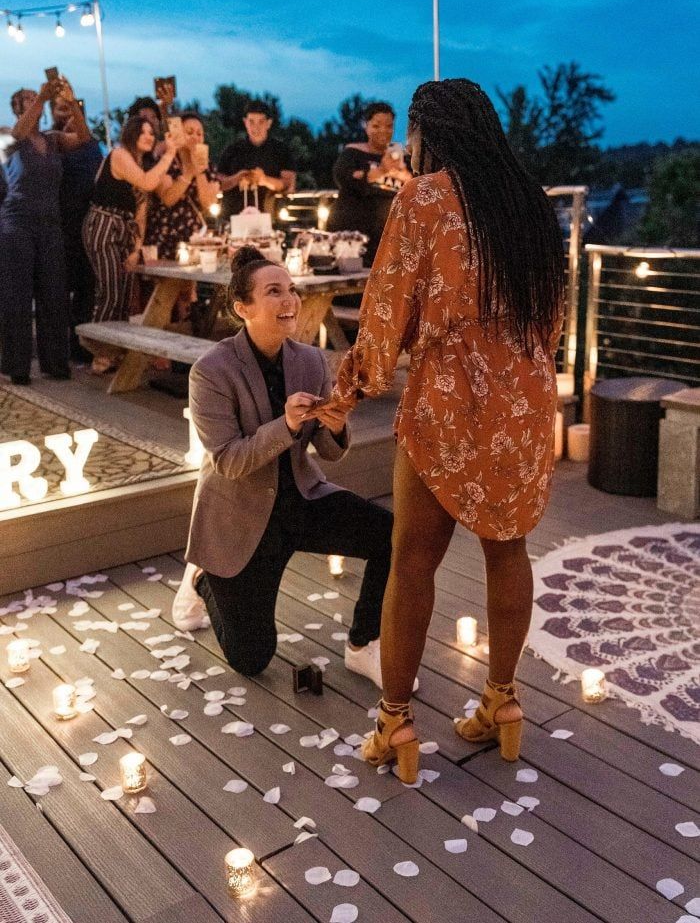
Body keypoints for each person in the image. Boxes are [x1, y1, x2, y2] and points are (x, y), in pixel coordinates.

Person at [326, 79, 565, 783]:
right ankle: (503, 701)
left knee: (412, 561)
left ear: (432, 132)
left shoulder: (424, 199)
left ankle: (395, 721)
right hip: (523, 404)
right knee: (508, 551)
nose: (406, 146)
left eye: (411, 132)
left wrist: (347, 389)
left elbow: (384, 316)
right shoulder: (529, 205)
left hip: (450, 407)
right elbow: (552, 318)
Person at [172, 246, 397, 688]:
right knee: (252, 659)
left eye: (291, 290)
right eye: (274, 292)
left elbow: (329, 454)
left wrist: (334, 426)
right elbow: (230, 461)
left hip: (301, 498)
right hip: (239, 517)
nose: (290, 300)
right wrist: (287, 422)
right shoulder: (210, 372)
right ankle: (202, 578)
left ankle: (363, 643)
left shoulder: (311, 360)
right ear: (243, 308)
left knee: (393, 535)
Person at [0, 79, 92, 385]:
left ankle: (55, 363)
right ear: (17, 108)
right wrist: (42, 95)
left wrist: (73, 99)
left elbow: (85, 136)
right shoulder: (8, 136)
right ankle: (17, 366)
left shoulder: (53, 139)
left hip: (51, 224)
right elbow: (18, 132)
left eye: (35, 97)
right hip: (17, 224)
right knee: (18, 296)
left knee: (54, 294)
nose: (34, 100)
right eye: (27, 99)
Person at [81, 116, 181, 374]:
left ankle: (113, 351)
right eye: (143, 132)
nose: (149, 136)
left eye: (152, 133)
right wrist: (169, 154)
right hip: (104, 224)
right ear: (131, 134)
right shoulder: (119, 155)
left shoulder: (142, 164)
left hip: (126, 229)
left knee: (125, 294)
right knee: (111, 289)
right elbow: (147, 182)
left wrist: (136, 249)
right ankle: (98, 348)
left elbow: (141, 213)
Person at [327, 101, 411, 266]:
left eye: (389, 126)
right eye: (376, 126)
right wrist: (380, 170)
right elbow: (343, 178)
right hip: (354, 234)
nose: (383, 131)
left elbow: (417, 187)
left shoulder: (403, 159)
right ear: (366, 126)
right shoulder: (353, 153)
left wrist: (403, 174)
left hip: (388, 236)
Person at [52, 95, 103, 364]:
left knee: (86, 289)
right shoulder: (54, 144)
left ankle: (80, 345)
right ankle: (58, 346)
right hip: (61, 225)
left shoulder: (92, 147)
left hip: (88, 225)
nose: (72, 120)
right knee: (60, 290)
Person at [146, 112, 219, 260]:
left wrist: (198, 172)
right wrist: (187, 174)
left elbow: (208, 203)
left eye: (200, 133)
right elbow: (168, 199)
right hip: (166, 236)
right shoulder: (166, 161)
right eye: (189, 132)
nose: (195, 137)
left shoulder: (208, 166)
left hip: (194, 238)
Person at [217, 101, 296, 220]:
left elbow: (288, 184)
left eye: (261, 122)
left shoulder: (281, 151)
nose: (256, 127)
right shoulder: (232, 150)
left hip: (271, 220)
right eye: (251, 122)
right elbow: (217, 182)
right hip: (233, 219)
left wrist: (264, 180)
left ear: (269, 123)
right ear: (245, 122)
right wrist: (237, 178)